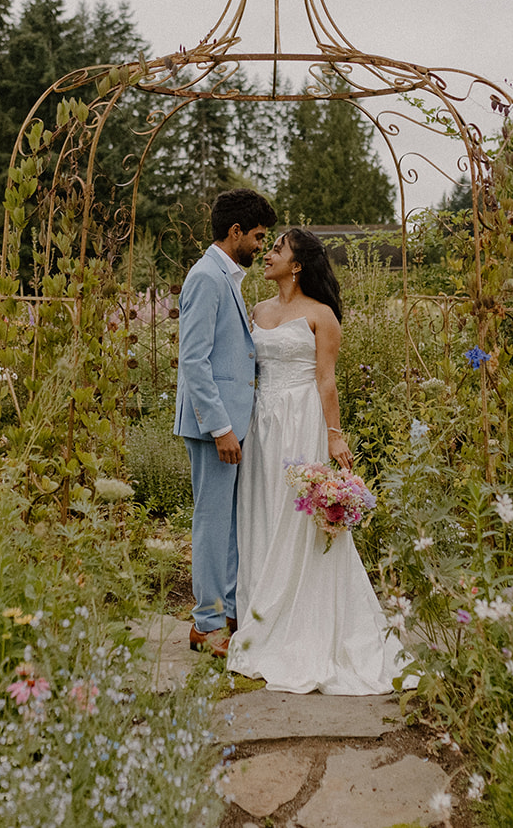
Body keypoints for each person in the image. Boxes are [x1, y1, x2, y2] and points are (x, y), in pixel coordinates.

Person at [226, 227, 406, 694]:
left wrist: (334, 436)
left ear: (298, 264)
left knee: (296, 516)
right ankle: (262, 612)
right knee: (261, 510)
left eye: (277, 250)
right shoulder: (258, 311)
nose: (267, 255)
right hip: (261, 422)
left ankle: (304, 620)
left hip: (301, 419)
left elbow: (326, 381)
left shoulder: (322, 317)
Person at [174, 188, 275, 657]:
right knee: (213, 522)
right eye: (258, 236)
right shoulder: (206, 278)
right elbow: (194, 361)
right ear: (235, 232)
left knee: (230, 522)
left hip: (232, 424)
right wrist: (220, 428)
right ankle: (207, 623)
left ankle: (228, 613)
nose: (261, 245)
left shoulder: (227, 277)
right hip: (214, 428)